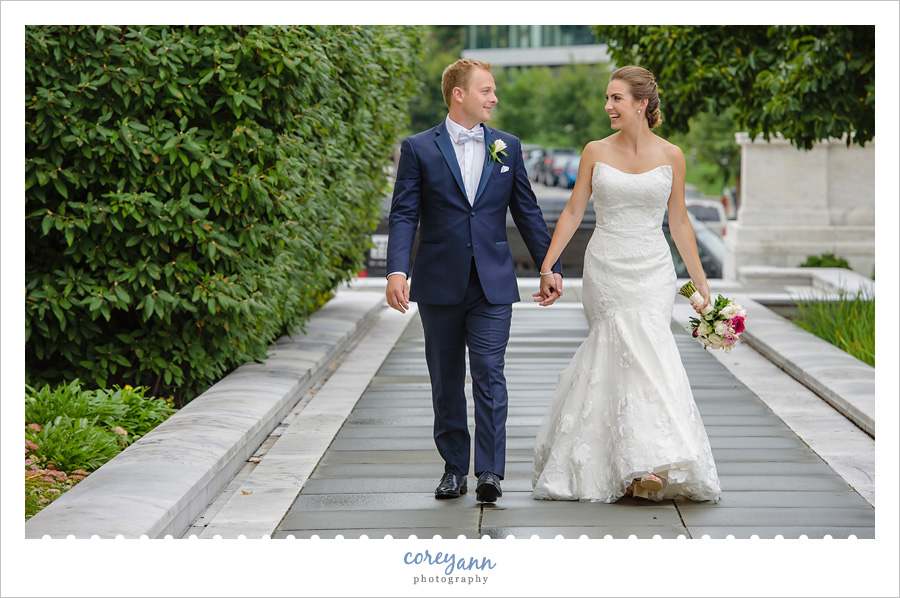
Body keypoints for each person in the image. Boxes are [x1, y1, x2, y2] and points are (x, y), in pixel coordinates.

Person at [531, 66, 721, 503]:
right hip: (607, 267)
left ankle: (651, 461)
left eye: (616, 98)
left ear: (641, 103)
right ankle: (632, 462)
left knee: (651, 351)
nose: (608, 106)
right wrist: (548, 265)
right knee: (619, 348)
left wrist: (699, 283)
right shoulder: (594, 151)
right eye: (607, 97)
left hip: (653, 269)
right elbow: (575, 211)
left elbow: (679, 221)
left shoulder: (673, 155)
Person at [385, 59, 563, 503]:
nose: (494, 98)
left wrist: (548, 266)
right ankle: (452, 468)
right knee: (445, 379)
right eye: (486, 90)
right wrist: (396, 270)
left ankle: (489, 472)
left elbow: (527, 212)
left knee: (488, 374)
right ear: (459, 94)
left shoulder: (508, 146)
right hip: (438, 282)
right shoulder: (419, 148)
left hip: (492, 284)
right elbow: (405, 213)